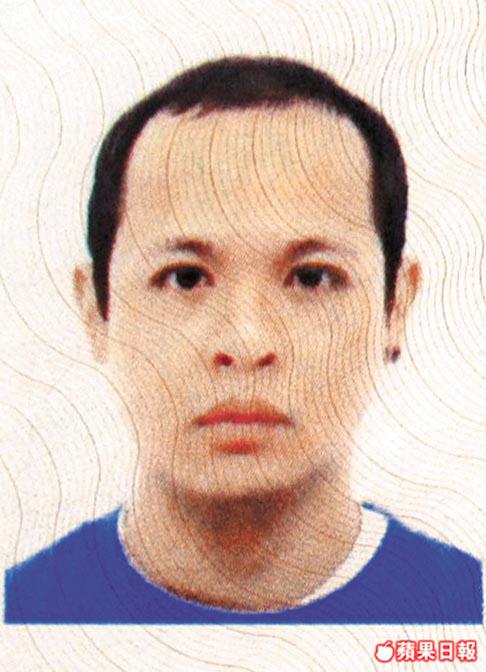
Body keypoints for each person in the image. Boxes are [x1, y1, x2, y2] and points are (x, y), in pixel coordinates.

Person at [5, 56, 482, 624]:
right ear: (96, 310)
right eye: (185, 278)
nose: (246, 342)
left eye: (312, 277)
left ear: (395, 307)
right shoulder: (21, 618)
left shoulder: (465, 613)